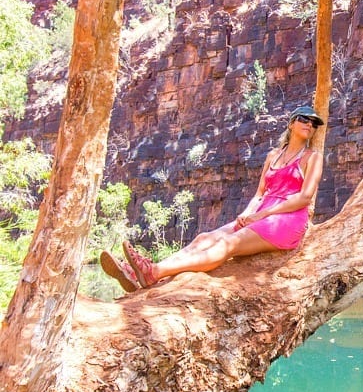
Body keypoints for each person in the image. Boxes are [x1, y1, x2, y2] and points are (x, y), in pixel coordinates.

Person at [100, 105, 325, 290]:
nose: (309, 125)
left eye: (314, 124)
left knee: (228, 244)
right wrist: (247, 214)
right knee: (204, 238)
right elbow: (260, 193)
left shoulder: (312, 157)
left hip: (286, 220)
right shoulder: (273, 155)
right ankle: (144, 270)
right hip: (261, 213)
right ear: (291, 123)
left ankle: (153, 272)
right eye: (305, 119)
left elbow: (305, 198)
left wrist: (263, 214)